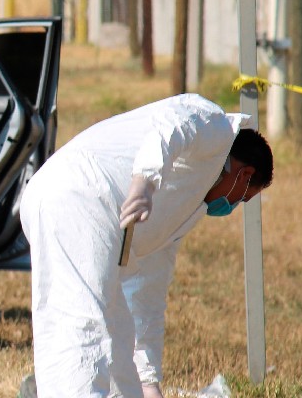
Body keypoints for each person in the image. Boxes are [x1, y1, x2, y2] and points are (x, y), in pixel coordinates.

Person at [19, 93, 274, 398]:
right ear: (244, 175)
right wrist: (144, 181)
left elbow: (147, 291)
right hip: (78, 195)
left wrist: (149, 381)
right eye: (243, 198)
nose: (233, 205)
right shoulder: (214, 125)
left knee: (117, 337)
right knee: (82, 327)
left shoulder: (182, 207)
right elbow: (172, 124)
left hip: (76, 204)